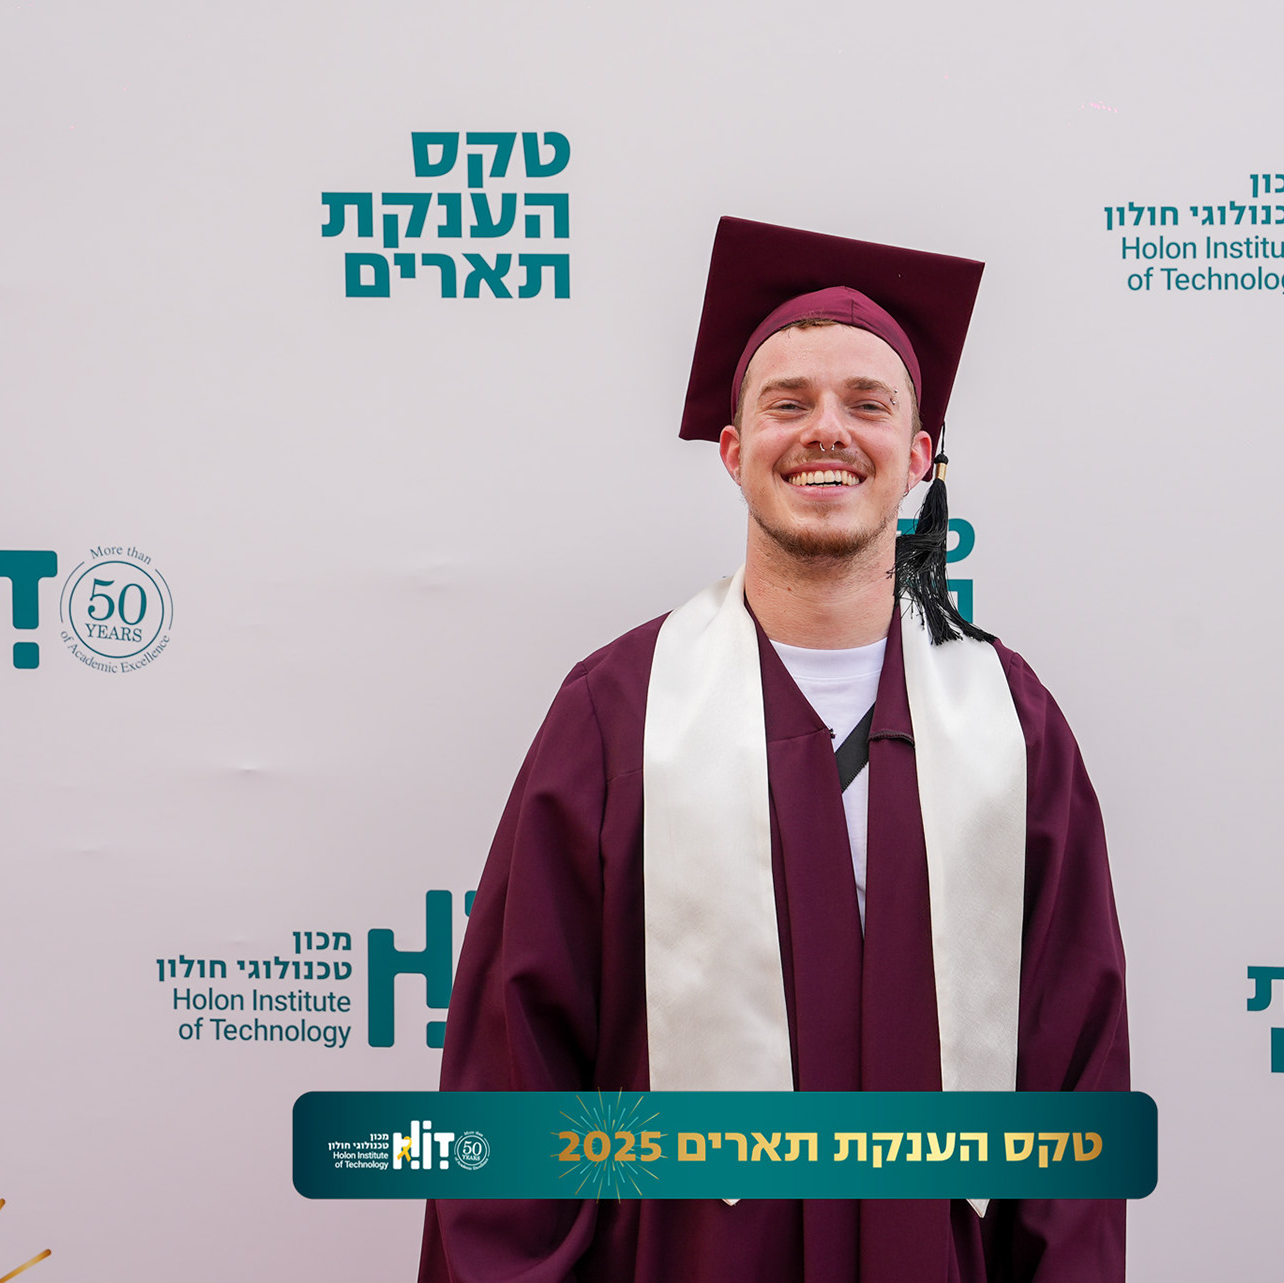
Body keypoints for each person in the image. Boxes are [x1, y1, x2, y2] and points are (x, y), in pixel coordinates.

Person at [418, 217, 1129, 1283]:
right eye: (787, 403)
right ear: (733, 450)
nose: (826, 430)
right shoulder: (620, 712)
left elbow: (1073, 1077)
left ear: (920, 456)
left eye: (868, 403)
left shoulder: (1011, 723)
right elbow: (516, 1065)